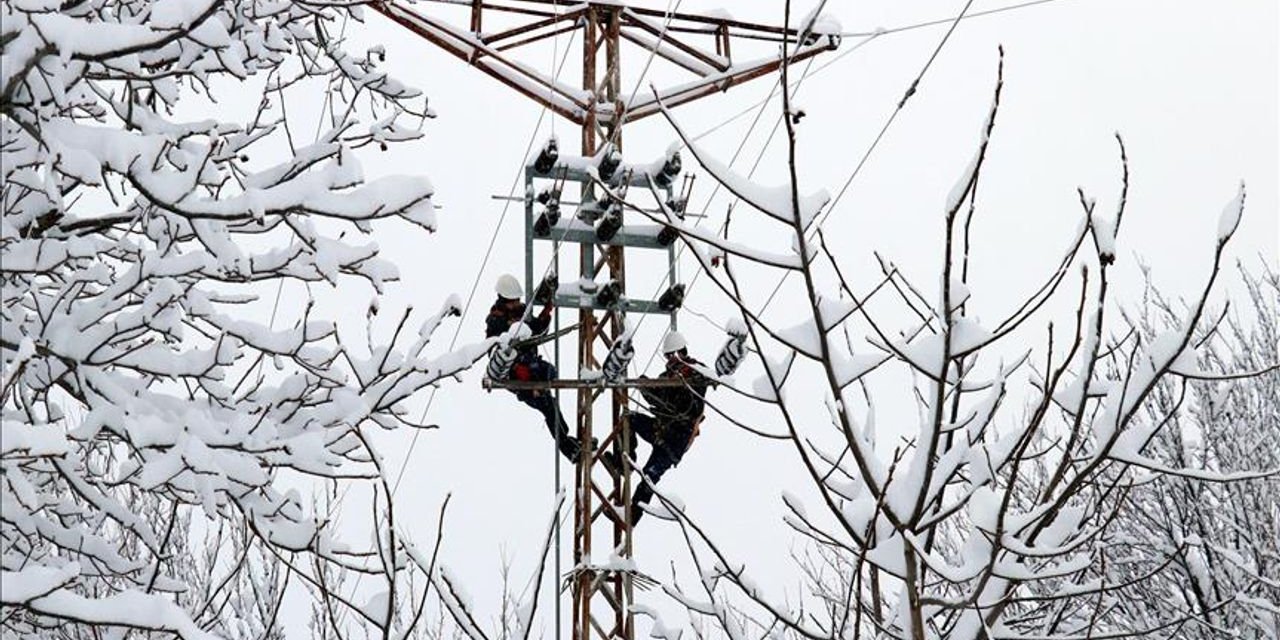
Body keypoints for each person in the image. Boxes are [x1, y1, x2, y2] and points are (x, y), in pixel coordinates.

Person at [485, 273, 580, 462]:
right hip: (515, 372)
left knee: (550, 383)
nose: (517, 304)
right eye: (513, 301)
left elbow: (537, 329)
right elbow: (495, 351)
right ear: (503, 300)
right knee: (548, 405)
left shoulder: (520, 313)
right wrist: (521, 374)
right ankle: (569, 449)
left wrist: (546, 312)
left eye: (517, 300)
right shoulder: (495, 321)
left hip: (532, 366)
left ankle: (569, 444)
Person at [624, 330, 710, 525]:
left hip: (675, 440)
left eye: (673, 355)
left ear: (682, 352)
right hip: (660, 430)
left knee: (649, 477)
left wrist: (682, 379)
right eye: (668, 356)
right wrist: (645, 385)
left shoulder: (696, 373)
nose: (670, 360)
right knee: (628, 419)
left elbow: (687, 405)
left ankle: (631, 518)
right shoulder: (667, 377)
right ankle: (626, 462)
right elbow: (658, 398)